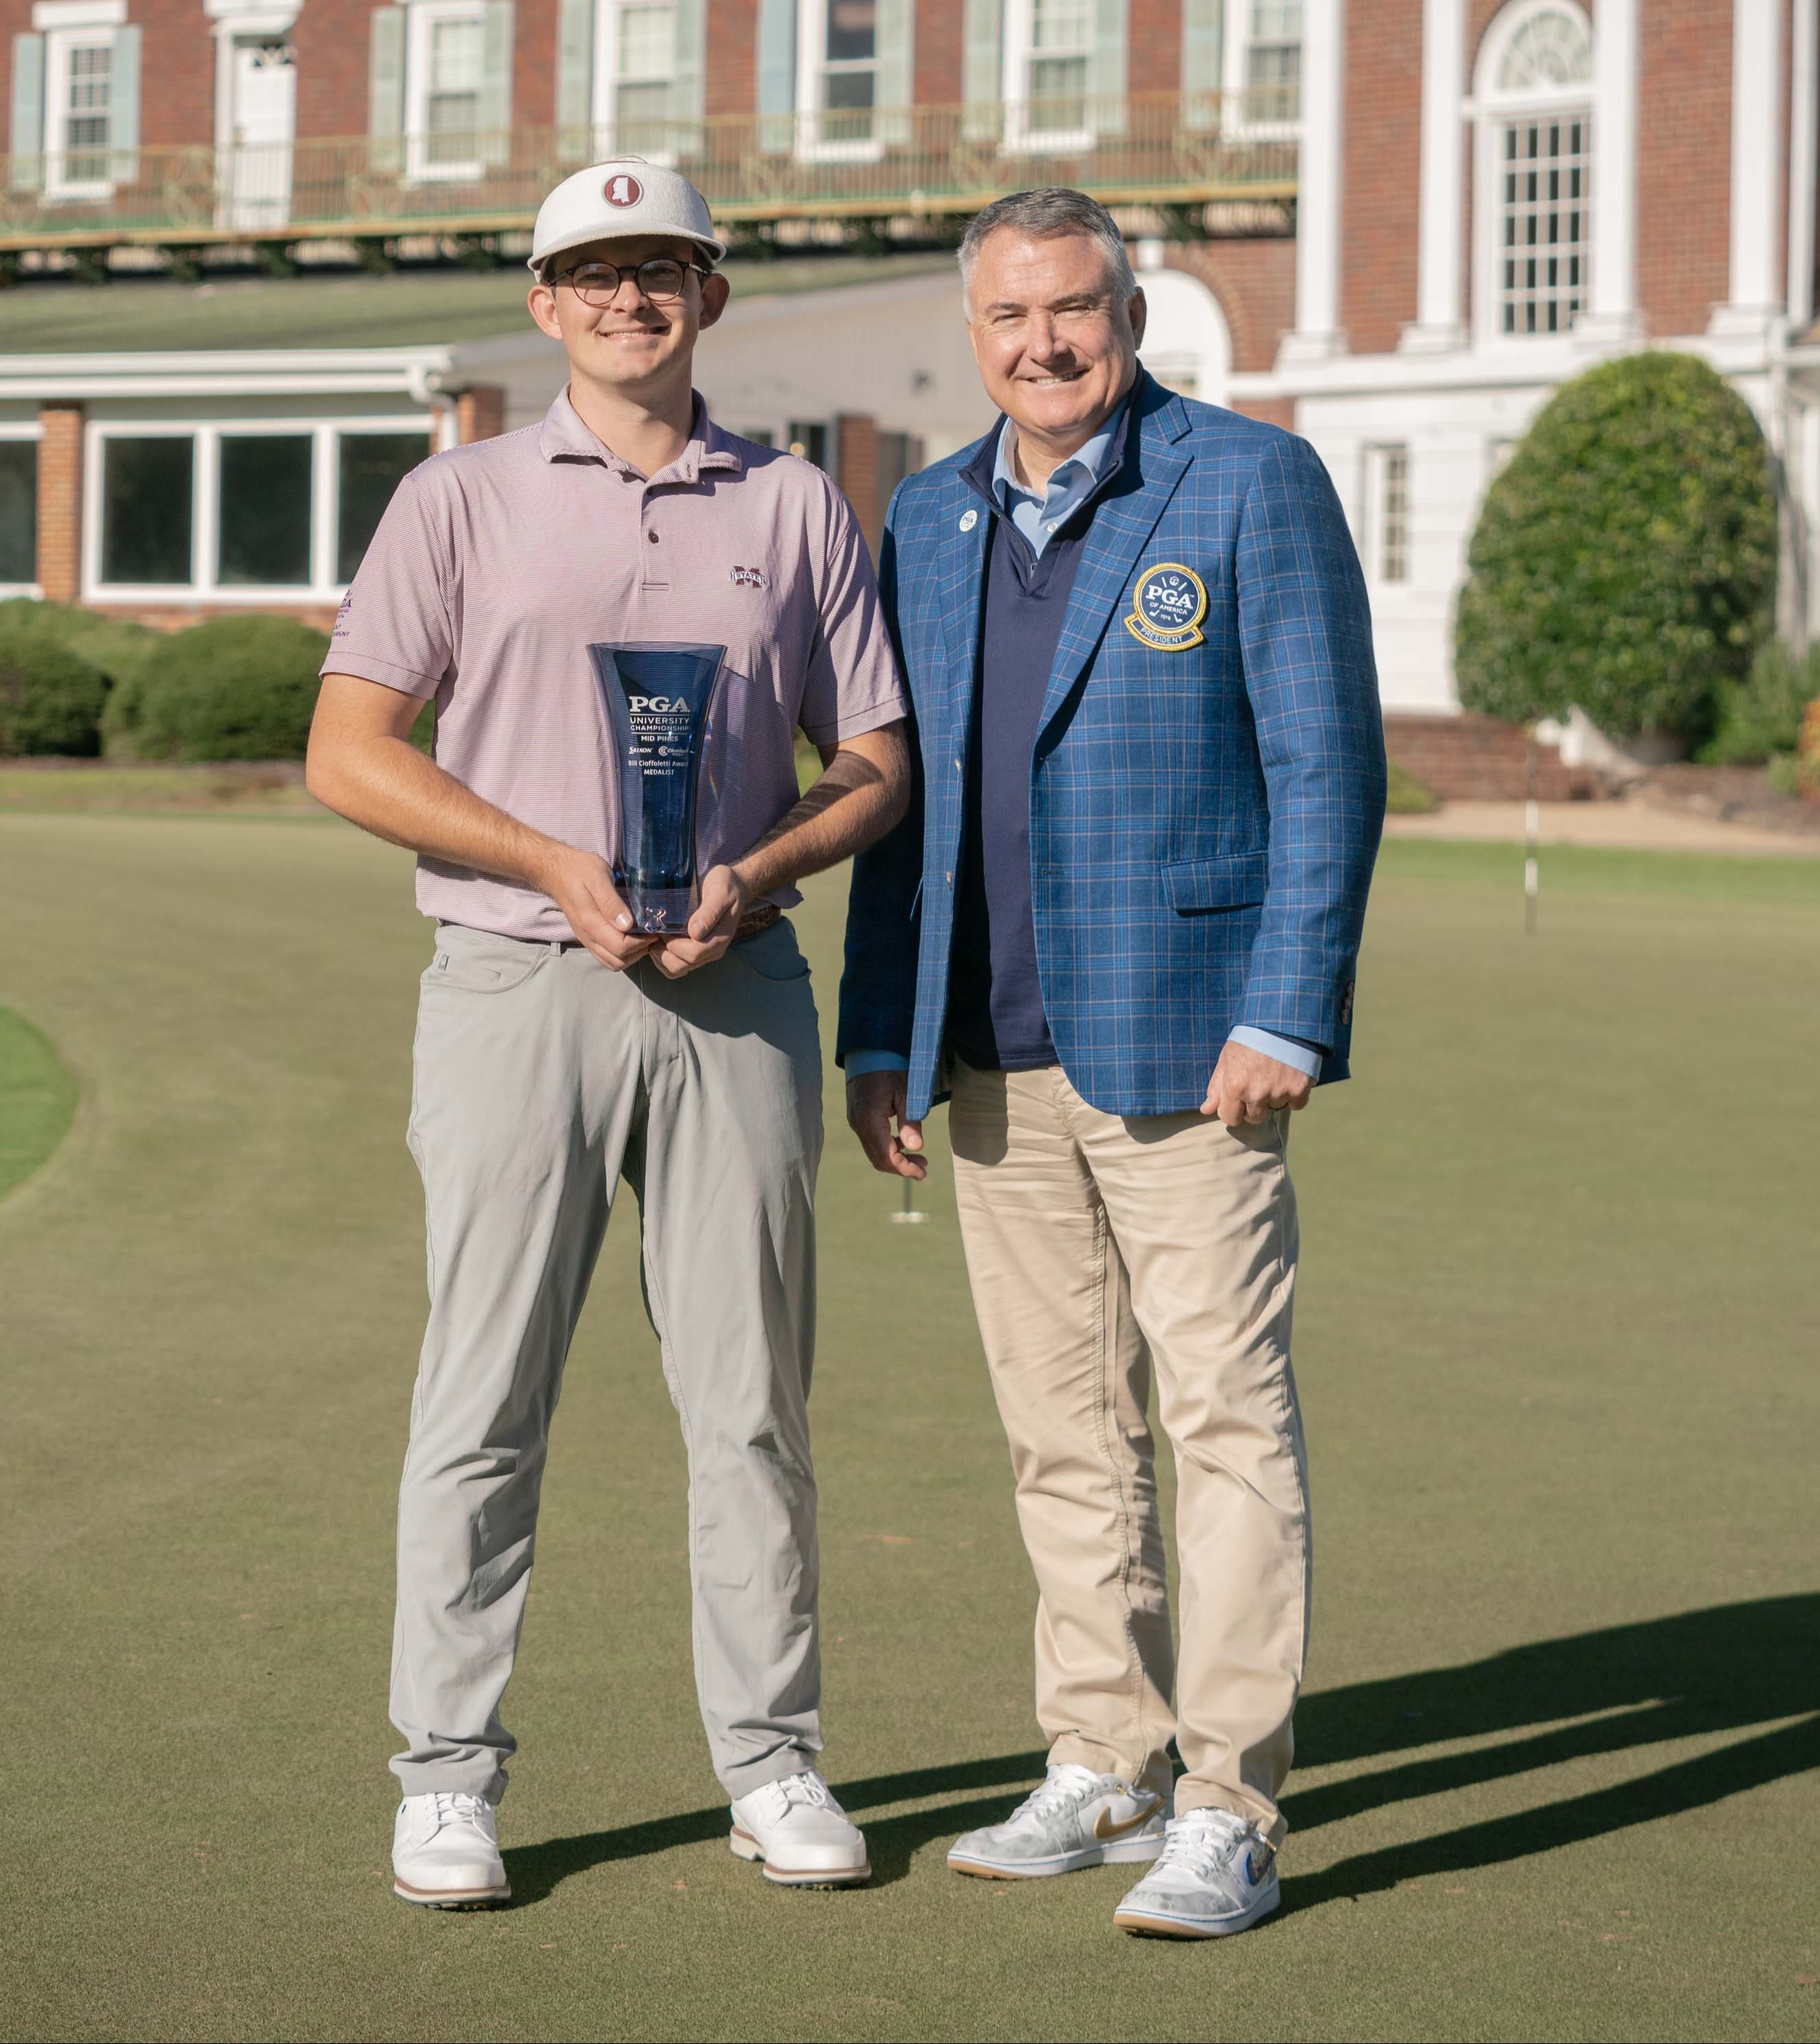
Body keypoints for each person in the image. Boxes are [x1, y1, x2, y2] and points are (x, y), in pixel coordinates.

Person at [307, 160, 910, 1909]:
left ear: (709, 298)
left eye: (664, 269)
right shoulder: (460, 498)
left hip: (737, 991)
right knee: (483, 1397)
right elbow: (353, 751)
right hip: (512, 980)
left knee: (750, 1406)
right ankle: (446, 1779)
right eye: (595, 272)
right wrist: (545, 858)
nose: (631, 297)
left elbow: (878, 765)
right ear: (544, 300)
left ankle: (774, 1763)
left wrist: (765, 862)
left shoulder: (794, 504)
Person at [837, 187, 1384, 1940]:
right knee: (1061, 1435)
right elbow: (895, 803)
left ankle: (1226, 1801)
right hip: (988, 1059)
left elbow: (1328, 764)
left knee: (1222, 1423)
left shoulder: (1248, 482)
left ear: (1126, 313)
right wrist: (879, 1033)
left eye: (1072, 309)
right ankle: (1101, 1756)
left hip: (1192, 1050)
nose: (1043, 345)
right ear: (973, 332)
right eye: (1009, 318)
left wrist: (1287, 1007)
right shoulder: (925, 514)